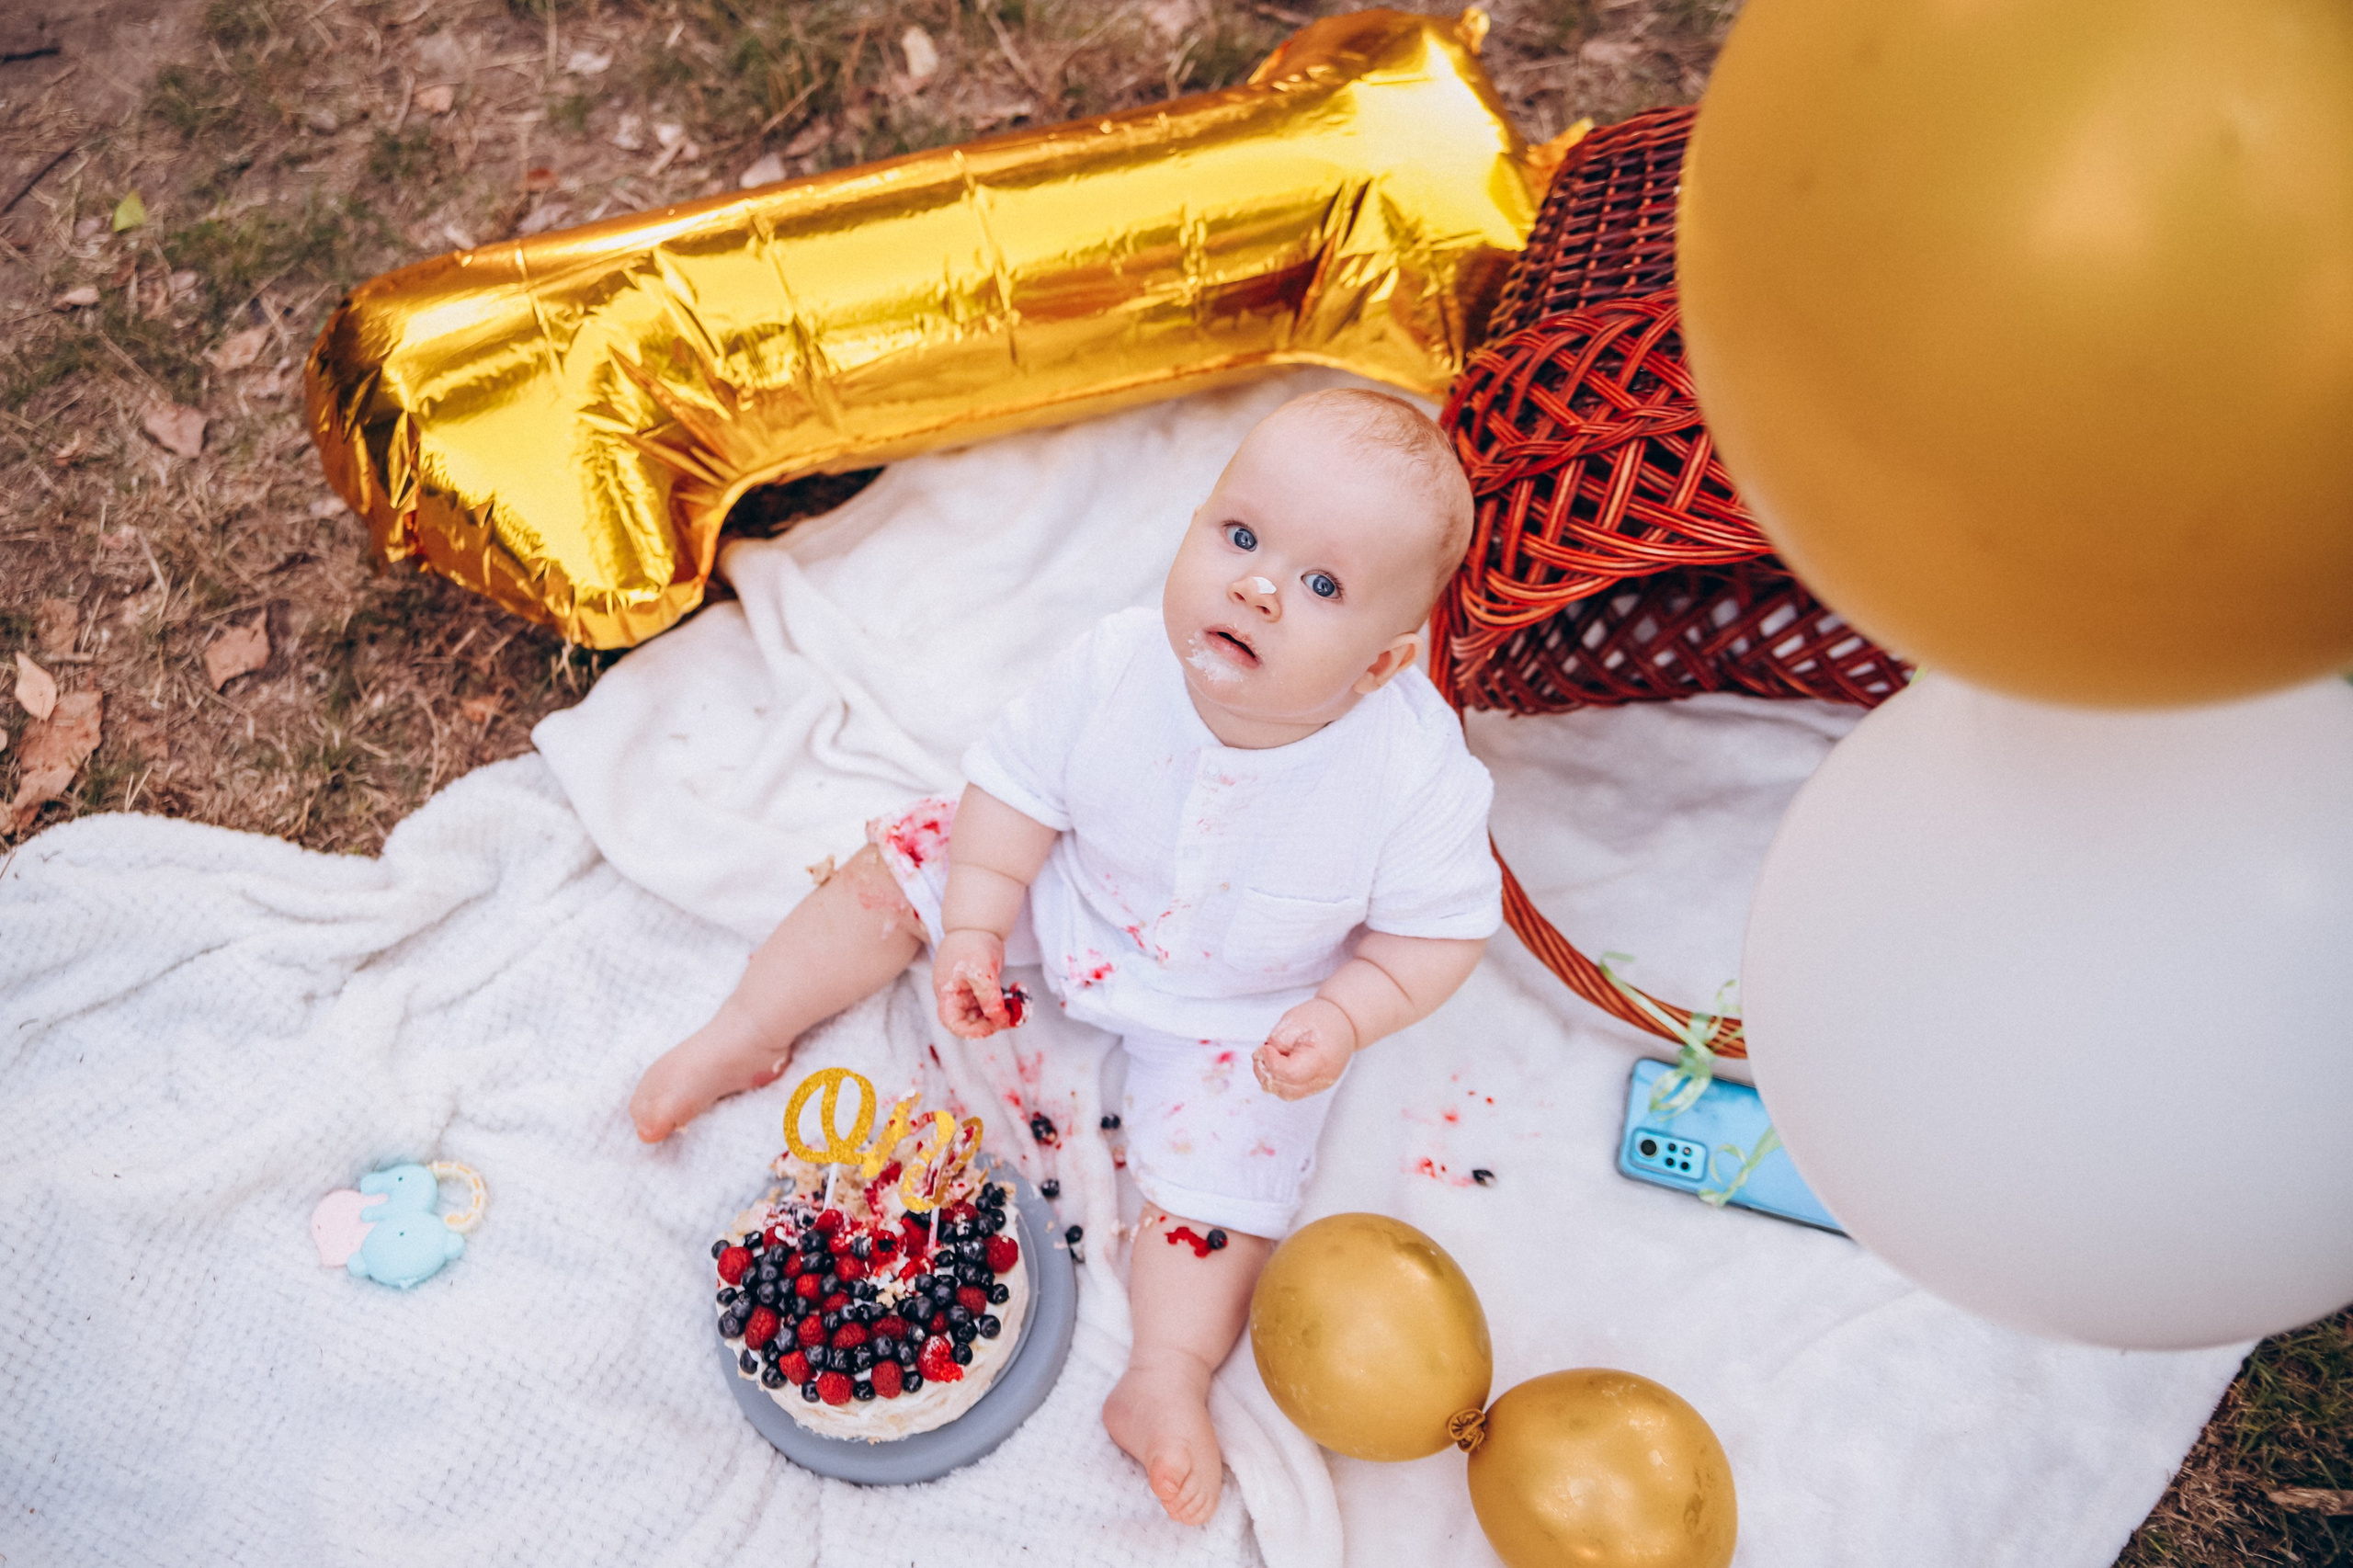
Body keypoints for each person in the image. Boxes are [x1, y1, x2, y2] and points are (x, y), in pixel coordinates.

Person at [631, 387, 1502, 1525]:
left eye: (1320, 585)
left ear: (1384, 664)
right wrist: (981, 921)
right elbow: (1016, 796)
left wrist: (1344, 1014)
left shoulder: (1412, 777)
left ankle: (1164, 1375)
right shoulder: (1113, 666)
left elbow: (1436, 936)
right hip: (1076, 893)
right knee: (904, 862)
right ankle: (745, 1028)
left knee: (1226, 1185)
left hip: (1242, 1004)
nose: (1256, 584)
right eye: (1238, 536)